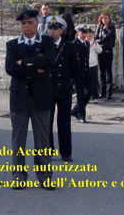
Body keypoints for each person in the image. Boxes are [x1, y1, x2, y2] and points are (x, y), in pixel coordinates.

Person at [4, 9, 55, 190]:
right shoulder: (13, 45)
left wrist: (23, 63)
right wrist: (35, 66)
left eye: (30, 22)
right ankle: (18, 176)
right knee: (18, 139)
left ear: (37, 24)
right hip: (20, 98)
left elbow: (48, 61)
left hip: (41, 97)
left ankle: (44, 176)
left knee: (42, 139)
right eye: (23, 23)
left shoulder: (47, 42)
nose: (26, 26)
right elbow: (10, 68)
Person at [46, 16, 79, 162]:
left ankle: (66, 152)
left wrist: (68, 81)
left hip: (64, 88)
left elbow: (75, 69)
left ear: (62, 30)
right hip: (48, 88)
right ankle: (48, 150)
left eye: (55, 29)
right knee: (47, 122)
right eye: (50, 28)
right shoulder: (44, 46)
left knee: (64, 122)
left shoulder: (69, 46)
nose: (52, 31)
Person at [71, 24, 90, 123]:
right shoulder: (74, 44)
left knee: (90, 91)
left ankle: (75, 110)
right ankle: (81, 115)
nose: (85, 34)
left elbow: (86, 59)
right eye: (83, 32)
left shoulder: (87, 43)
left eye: (86, 32)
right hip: (77, 72)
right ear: (78, 32)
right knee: (80, 95)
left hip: (85, 71)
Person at [95, 12, 116, 100]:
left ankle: (109, 92)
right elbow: (96, 39)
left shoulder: (111, 28)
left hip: (108, 52)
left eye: (107, 18)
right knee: (101, 72)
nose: (106, 20)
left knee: (108, 72)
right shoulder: (99, 27)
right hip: (101, 52)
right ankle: (102, 92)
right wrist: (102, 41)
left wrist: (104, 33)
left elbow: (110, 41)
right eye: (104, 18)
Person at [85, 27, 102, 102]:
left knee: (94, 81)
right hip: (86, 65)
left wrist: (95, 45)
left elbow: (100, 51)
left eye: (90, 35)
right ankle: (86, 95)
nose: (89, 36)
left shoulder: (94, 42)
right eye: (88, 35)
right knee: (86, 81)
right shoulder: (84, 42)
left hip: (93, 64)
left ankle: (95, 96)